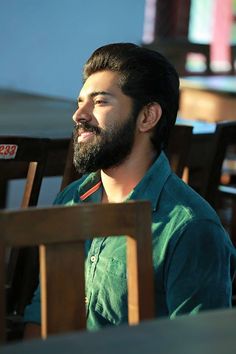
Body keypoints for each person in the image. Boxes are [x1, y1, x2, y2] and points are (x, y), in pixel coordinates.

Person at [24, 43, 236, 337]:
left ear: (147, 117)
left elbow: (200, 344)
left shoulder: (192, 229)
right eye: (80, 102)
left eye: (99, 102)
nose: (79, 115)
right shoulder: (71, 200)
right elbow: (43, 311)